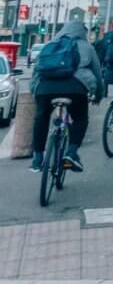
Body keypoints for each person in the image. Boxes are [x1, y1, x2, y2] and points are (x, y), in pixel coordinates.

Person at [29, 20, 103, 173]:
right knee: (81, 119)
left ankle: (37, 158)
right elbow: (97, 73)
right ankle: (71, 152)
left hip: (45, 88)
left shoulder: (49, 46)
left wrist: (35, 93)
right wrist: (98, 95)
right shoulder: (87, 47)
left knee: (41, 117)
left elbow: (36, 72)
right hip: (75, 89)